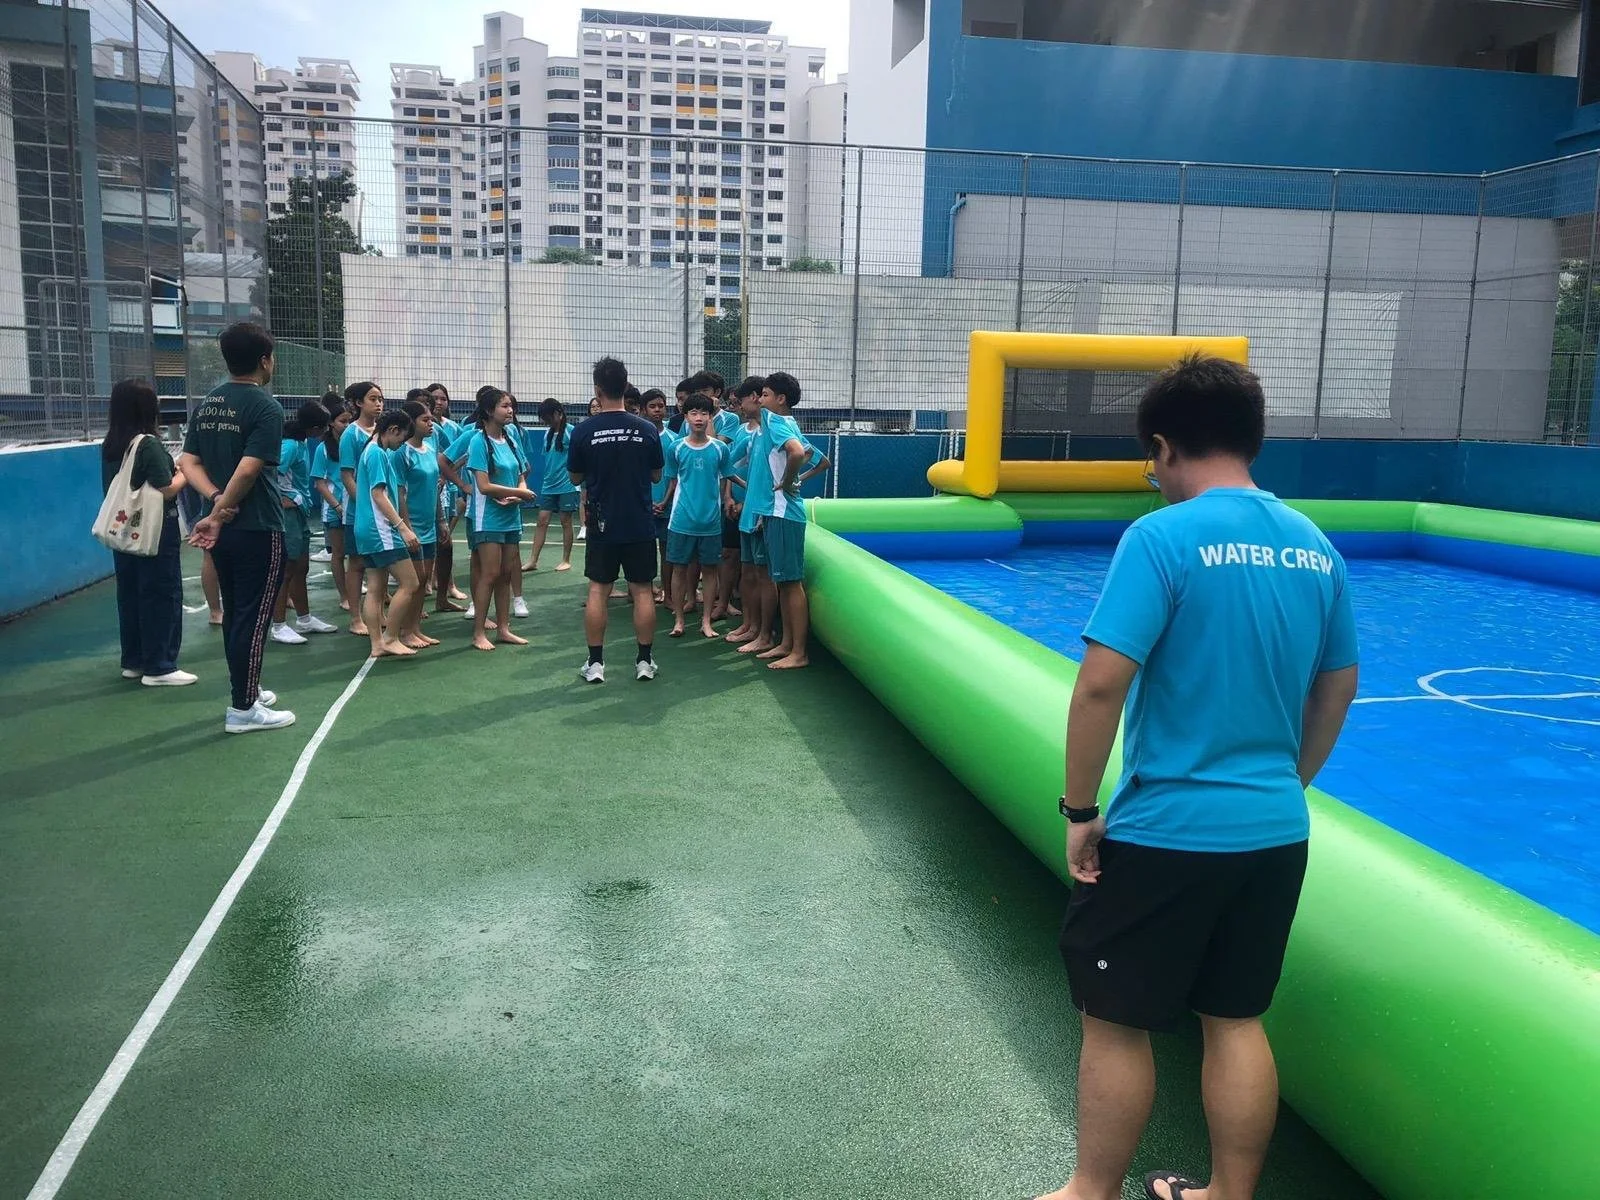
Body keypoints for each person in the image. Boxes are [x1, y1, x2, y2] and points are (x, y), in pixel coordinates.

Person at [1042, 356, 1360, 1200]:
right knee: (1236, 1020)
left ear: (1162, 446)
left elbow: (1102, 681)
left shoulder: (1162, 537)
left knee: (1115, 1024)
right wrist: (1290, 781)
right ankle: (1227, 1196)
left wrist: (1080, 807)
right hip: (1273, 829)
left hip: (1168, 831)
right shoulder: (1315, 547)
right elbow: (1338, 686)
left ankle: (1091, 1191)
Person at [179, 322, 295, 734]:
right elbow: (249, 469)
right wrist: (221, 508)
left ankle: (248, 688)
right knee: (254, 616)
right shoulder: (266, 407)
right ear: (265, 360)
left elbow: (187, 462)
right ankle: (243, 709)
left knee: (236, 614)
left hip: (226, 530)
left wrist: (213, 502)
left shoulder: (208, 403)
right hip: (258, 526)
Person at [566, 356, 664, 683]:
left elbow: (575, 476)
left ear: (597, 389)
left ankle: (595, 664)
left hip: (601, 522)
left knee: (598, 590)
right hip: (638, 522)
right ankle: (644, 662)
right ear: (625, 386)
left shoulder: (583, 431)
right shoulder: (647, 429)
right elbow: (655, 475)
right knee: (643, 590)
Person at [102, 378, 192, 687]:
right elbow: (166, 489)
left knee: (130, 594)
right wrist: (183, 473)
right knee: (162, 592)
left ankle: (134, 660)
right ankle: (160, 665)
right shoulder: (148, 444)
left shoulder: (112, 444)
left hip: (124, 530)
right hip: (154, 531)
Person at [751, 372, 826, 670]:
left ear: (780, 399)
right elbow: (811, 454)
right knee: (783, 581)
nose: (760, 399)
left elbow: (797, 452)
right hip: (778, 512)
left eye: (765, 394)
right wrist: (794, 478)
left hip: (783, 512)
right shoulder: (788, 423)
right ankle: (786, 644)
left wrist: (788, 480)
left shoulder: (775, 420)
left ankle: (799, 652)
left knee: (791, 583)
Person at [464, 387, 536, 651]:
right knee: (490, 573)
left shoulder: (511, 438)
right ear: (488, 411)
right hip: (488, 518)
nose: (510, 410)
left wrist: (519, 492)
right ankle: (479, 632)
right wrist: (519, 492)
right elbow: (483, 485)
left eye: (511, 406)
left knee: (506, 573)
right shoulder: (478, 442)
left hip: (510, 517)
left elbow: (521, 471)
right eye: (504, 406)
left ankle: (504, 628)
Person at [354, 410, 423, 659]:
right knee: (410, 583)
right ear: (393, 430)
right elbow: (378, 494)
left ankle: (377, 644)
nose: (400, 445)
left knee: (375, 587)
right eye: (401, 439)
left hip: (366, 530)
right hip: (381, 530)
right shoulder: (377, 454)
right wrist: (402, 527)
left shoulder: (369, 451)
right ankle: (391, 637)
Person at [270, 402, 340, 645]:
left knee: (301, 567)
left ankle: (304, 618)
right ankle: (278, 626)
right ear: (314, 427)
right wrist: (282, 500)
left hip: (299, 512)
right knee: (286, 569)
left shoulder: (299, 443)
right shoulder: (289, 446)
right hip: (288, 514)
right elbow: (269, 474)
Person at [661, 394, 731, 640]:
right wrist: (664, 503)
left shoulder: (720, 449)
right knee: (679, 570)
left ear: (711, 416)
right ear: (686, 416)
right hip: (681, 521)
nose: (699, 418)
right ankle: (679, 620)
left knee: (710, 571)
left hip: (711, 522)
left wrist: (727, 501)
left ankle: (705, 621)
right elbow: (672, 480)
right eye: (694, 413)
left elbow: (726, 480)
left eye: (704, 413)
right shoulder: (676, 448)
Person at [339, 381, 384, 637]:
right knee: (356, 564)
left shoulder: (383, 431)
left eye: (380, 399)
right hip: (360, 512)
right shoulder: (351, 434)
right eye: (372, 399)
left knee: (381, 563)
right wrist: (365, 503)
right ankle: (356, 617)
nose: (378, 404)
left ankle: (379, 614)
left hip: (382, 510)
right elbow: (347, 475)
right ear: (358, 403)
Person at [397, 399, 443, 648]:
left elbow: (435, 488)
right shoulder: (402, 453)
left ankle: (415, 628)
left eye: (431, 419)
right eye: (425, 420)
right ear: (411, 423)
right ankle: (405, 630)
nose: (431, 423)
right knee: (413, 581)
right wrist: (406, 526)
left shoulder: (430, 446)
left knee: (424, 580)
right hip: (412, 526)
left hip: (429, 524)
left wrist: (441, 521)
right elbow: (399, 492)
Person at [428, 383, 469, 612]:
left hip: (447, 490)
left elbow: (456, 454)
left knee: (445, 539)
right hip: (424, 494)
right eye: (435, 399)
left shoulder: (450, 428)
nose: (439, 402)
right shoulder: (420, 429)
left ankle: (447, 585)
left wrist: (447, 475)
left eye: (443, 398)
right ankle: (428, 583)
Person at [311, 399, 353, 613]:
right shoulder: (323, 449)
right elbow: (319, 482)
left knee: (358, 554)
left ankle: (364, 591)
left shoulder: (354, 444)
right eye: (342, 421)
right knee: (338, 553)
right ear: (331, 424)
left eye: (349, 420)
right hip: (335, 509)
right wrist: (337, 506)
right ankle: (344, 596)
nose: (346, 425)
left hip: (354, 506)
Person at [528, 397, 579, 572]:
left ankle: (566, 559)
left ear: (558, 414)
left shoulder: (571, 432)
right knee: (542, 520)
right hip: (549, 485)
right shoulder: (547, 434)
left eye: (548, 417)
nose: (546, 422)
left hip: (566, 485)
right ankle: (533, 560)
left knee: (566, 521)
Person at [641, 388, 676, 601]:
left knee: (666, 551)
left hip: (667, 504)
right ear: (644, 410)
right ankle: (638, 591)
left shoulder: (673, 439)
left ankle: (667, 592)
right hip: (642, 504)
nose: (657, 410)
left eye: (660, 406)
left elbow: (675, 476)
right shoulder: (638, 436)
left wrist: (664, 501)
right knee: (642, 552)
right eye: (652, 406)